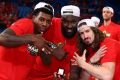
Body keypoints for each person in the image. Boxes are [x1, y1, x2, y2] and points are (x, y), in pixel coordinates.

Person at [0, 2, 54, 80]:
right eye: (41, 19)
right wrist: (31, 39)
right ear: (33, 17)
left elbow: (47, 62)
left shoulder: (41, 38)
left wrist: (42, 49)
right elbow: (2, 38)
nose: (45, 24)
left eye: (48, 21)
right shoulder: (26, 23)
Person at [27, 5, 80, 80]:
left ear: (79, 20)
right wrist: (51, 47)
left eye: (73, 21)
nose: (69, 26)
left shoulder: (82, 36)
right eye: (65, 21)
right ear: (61, 19)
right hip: (34, 75)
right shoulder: (50, 23)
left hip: (59, 75)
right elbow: (29, 47)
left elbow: (75, 72)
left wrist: (67, 78)